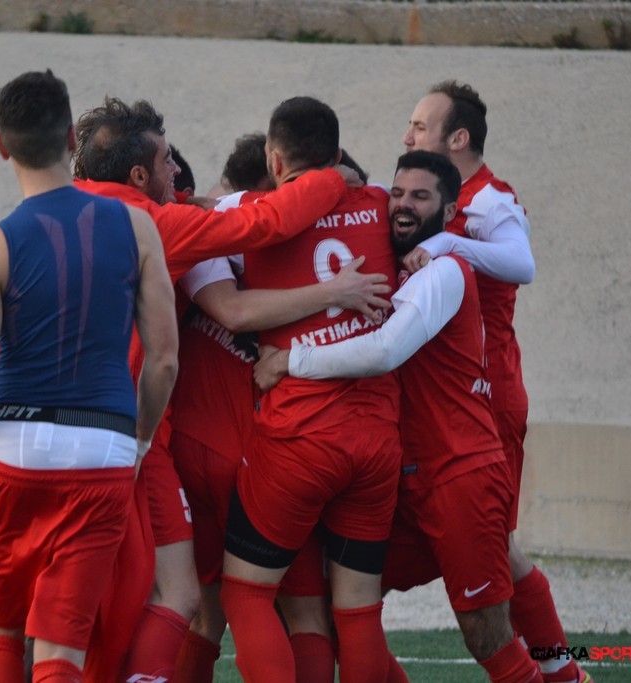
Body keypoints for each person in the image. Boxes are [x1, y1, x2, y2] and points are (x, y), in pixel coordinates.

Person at [72, 95, 368, 683]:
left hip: (56, 433)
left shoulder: (57, 210)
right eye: (167, 164)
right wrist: (334, 276)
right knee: (294, 608)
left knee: (126, 601)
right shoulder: (164, 227)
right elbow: (255, 247)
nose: (176, 175)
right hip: (227, 442)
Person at [254, 150, 546, 683]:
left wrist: (289, 361)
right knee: (341, 608)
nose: (403, 205)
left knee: (487, 636)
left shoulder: (447, 272)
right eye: (397, 193)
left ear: (449, 210)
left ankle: (563, 674)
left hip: (459, 475)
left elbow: (384, 351)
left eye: (420, 196)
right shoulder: (393, 267)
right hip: (406, 482)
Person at [0, 70, 179, 683]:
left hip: (12, 447)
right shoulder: (137, 227)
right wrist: (139, 439)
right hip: (101, 448)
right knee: (61, 644)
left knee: (0, 629)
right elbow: (163, 360)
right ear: (72, 137)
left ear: (2, 145)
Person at [170, 140, 391, 683]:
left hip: (191, 446)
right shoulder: (269, 232)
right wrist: (334, 291)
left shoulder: (197, 230)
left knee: (203, 613)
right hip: (271, 446)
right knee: (310, 612)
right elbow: (235, 311)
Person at [401, 81, 587, 683]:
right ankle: (561, 673)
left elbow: (521, 263)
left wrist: (447, 241)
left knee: (496, 548)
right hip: (446, 403)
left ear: (458, 138)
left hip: (486, 400)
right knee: (493, 547)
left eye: (420, 126)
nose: (407, 136)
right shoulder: (431, 195)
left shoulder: (489, 199)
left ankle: (560, 673)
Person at [220, 96, 402, 683]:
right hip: (377, 438)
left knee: (246, 593)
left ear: (273, 160)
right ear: (337, 154)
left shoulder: (252, 212)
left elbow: (197, 215)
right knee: (358, 609)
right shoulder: (380, 204)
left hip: (299, 436)